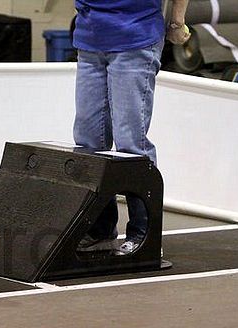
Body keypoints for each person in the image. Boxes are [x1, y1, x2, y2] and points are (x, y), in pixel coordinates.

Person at [73, 0, 190, 255]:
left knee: (131, 143)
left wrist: (176, 21)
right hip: (90, 39)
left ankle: (145, 233)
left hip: (135, 38)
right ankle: (100, 229)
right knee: (88, 142)